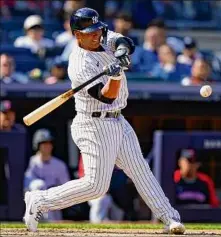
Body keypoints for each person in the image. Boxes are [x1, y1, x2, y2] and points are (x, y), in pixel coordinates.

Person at [23, 8, 185, 234]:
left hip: (118, 120)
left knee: (140, 170)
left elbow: (125, 41)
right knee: (96, 187)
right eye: (90, 32)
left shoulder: (103, 36)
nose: (96, 34)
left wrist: (121, 51)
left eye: (97, 29)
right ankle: (40, 200)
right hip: (93, 125)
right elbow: (107, 96)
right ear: (77, 35)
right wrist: (116, 74)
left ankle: (170, 219)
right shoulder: (79, 64)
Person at [24, 129, 70, 221]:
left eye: (49, 143)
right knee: (39, 185)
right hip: (35, 204)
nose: (47, 146)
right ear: (38, 145)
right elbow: (26, 187)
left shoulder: (59, 165)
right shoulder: (31, 162)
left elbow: (67, 187)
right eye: (44, 143)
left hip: (53, 204)